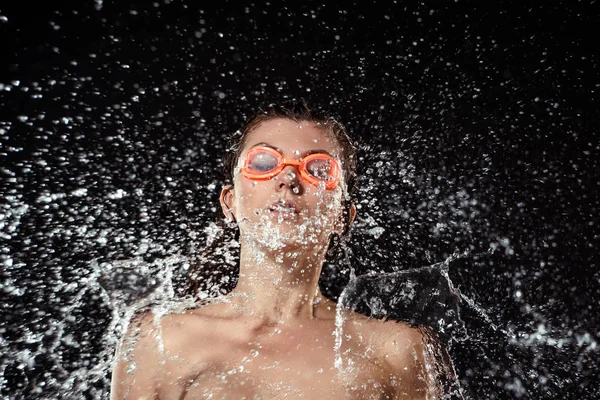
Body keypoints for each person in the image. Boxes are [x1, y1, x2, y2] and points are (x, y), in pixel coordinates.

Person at [111, 100, 448, 399]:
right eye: (263, 163)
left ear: (342, 216)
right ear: (230, 202)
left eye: (318, 170)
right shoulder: (158, 342)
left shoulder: (393, 352)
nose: (288, 179)